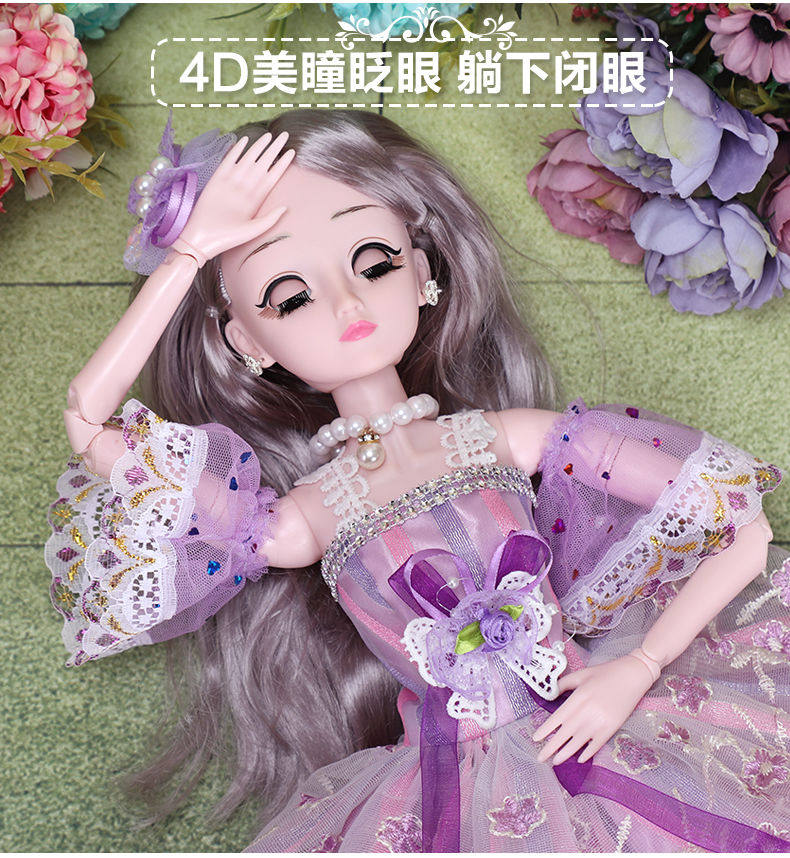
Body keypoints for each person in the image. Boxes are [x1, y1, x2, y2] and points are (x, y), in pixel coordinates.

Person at [45, 108, 790, 852]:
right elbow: (88, 422)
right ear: (246, 340)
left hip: (608, 724)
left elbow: (741, 521)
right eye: (291, 296)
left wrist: (640, 665)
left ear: (424, 271)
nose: (347, 302)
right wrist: (189, 253)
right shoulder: (302, 519)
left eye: (374, 263)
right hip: (450, 794)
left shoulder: (511, 438)